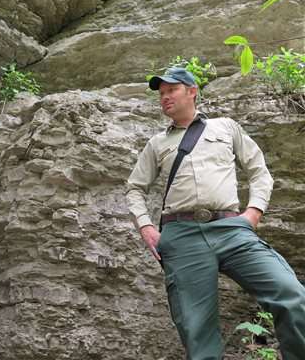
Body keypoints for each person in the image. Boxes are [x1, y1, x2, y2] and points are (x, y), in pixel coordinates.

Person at [126, 67, 305, 360]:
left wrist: (253, 213)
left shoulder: (226, 127)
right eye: (161, 94)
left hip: (231, 229)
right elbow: (134, 188)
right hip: (182, 237)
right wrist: (146, 227)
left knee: (291, 295)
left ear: (192, 91)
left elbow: (260, 171)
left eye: (172, 90)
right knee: (198, 332)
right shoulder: (157, 143)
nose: (165, 98)